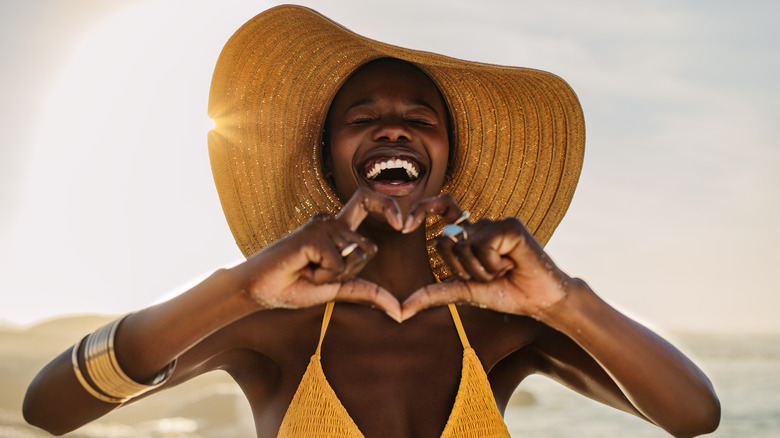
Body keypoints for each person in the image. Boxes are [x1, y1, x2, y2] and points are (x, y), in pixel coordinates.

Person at [23, 5, 720, 438]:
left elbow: (695, 418)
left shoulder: (504, 326)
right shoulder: (269, 319)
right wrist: (237, 291)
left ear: (451, 160)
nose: (392, 129)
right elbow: (48, 409)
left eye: (420, 119)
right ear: (330, 164)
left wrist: (564, 300)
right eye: (363, 120)